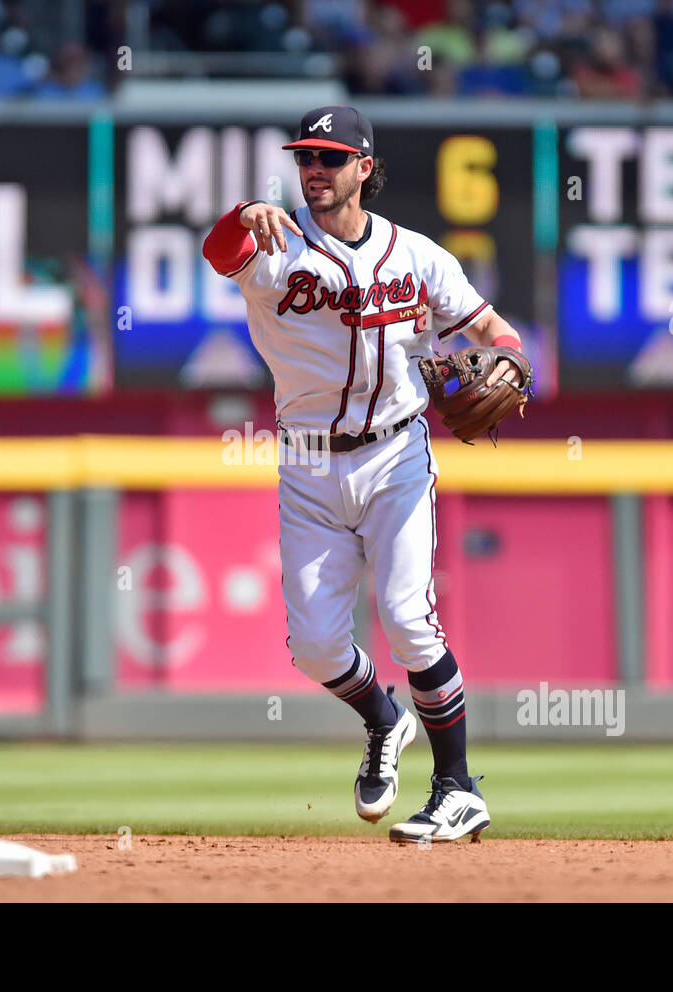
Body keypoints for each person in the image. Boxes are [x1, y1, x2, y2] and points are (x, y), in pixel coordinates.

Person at [202, 106, 526, 843]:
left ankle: (458, 790)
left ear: (364, 168)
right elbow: (217, 250)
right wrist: (243, 211)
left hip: (395, 455)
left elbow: (488, 327)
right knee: (314, 647)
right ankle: (384, 721)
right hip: (309, 462)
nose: (312, 170)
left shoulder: (418, 256)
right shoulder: (272, 244)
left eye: (328, 157)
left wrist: (514, 355)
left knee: (410, 620)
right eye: (304, 158)